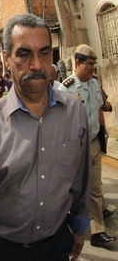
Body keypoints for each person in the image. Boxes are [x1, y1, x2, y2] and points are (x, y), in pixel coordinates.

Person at [0, 13, 91, 261]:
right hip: (2, 250)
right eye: (24, 54)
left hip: (57, 244)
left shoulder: (74, 111)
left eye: (45, 53)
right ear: (7, 58)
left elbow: (81, 178)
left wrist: (79, 228)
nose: (37, 64)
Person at [58, 44, 117, 248]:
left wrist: (102, 137)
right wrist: (80, 150)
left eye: (94, 64)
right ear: (77, 63)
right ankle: (70, 227)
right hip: (75, 146)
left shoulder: (94, 84)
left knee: (94, 189)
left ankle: (98, 232)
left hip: (93, 143)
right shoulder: (65, 88)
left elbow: (101, 108)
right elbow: (62, 125)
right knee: (73, 190)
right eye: (89, 64)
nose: (93, 68)